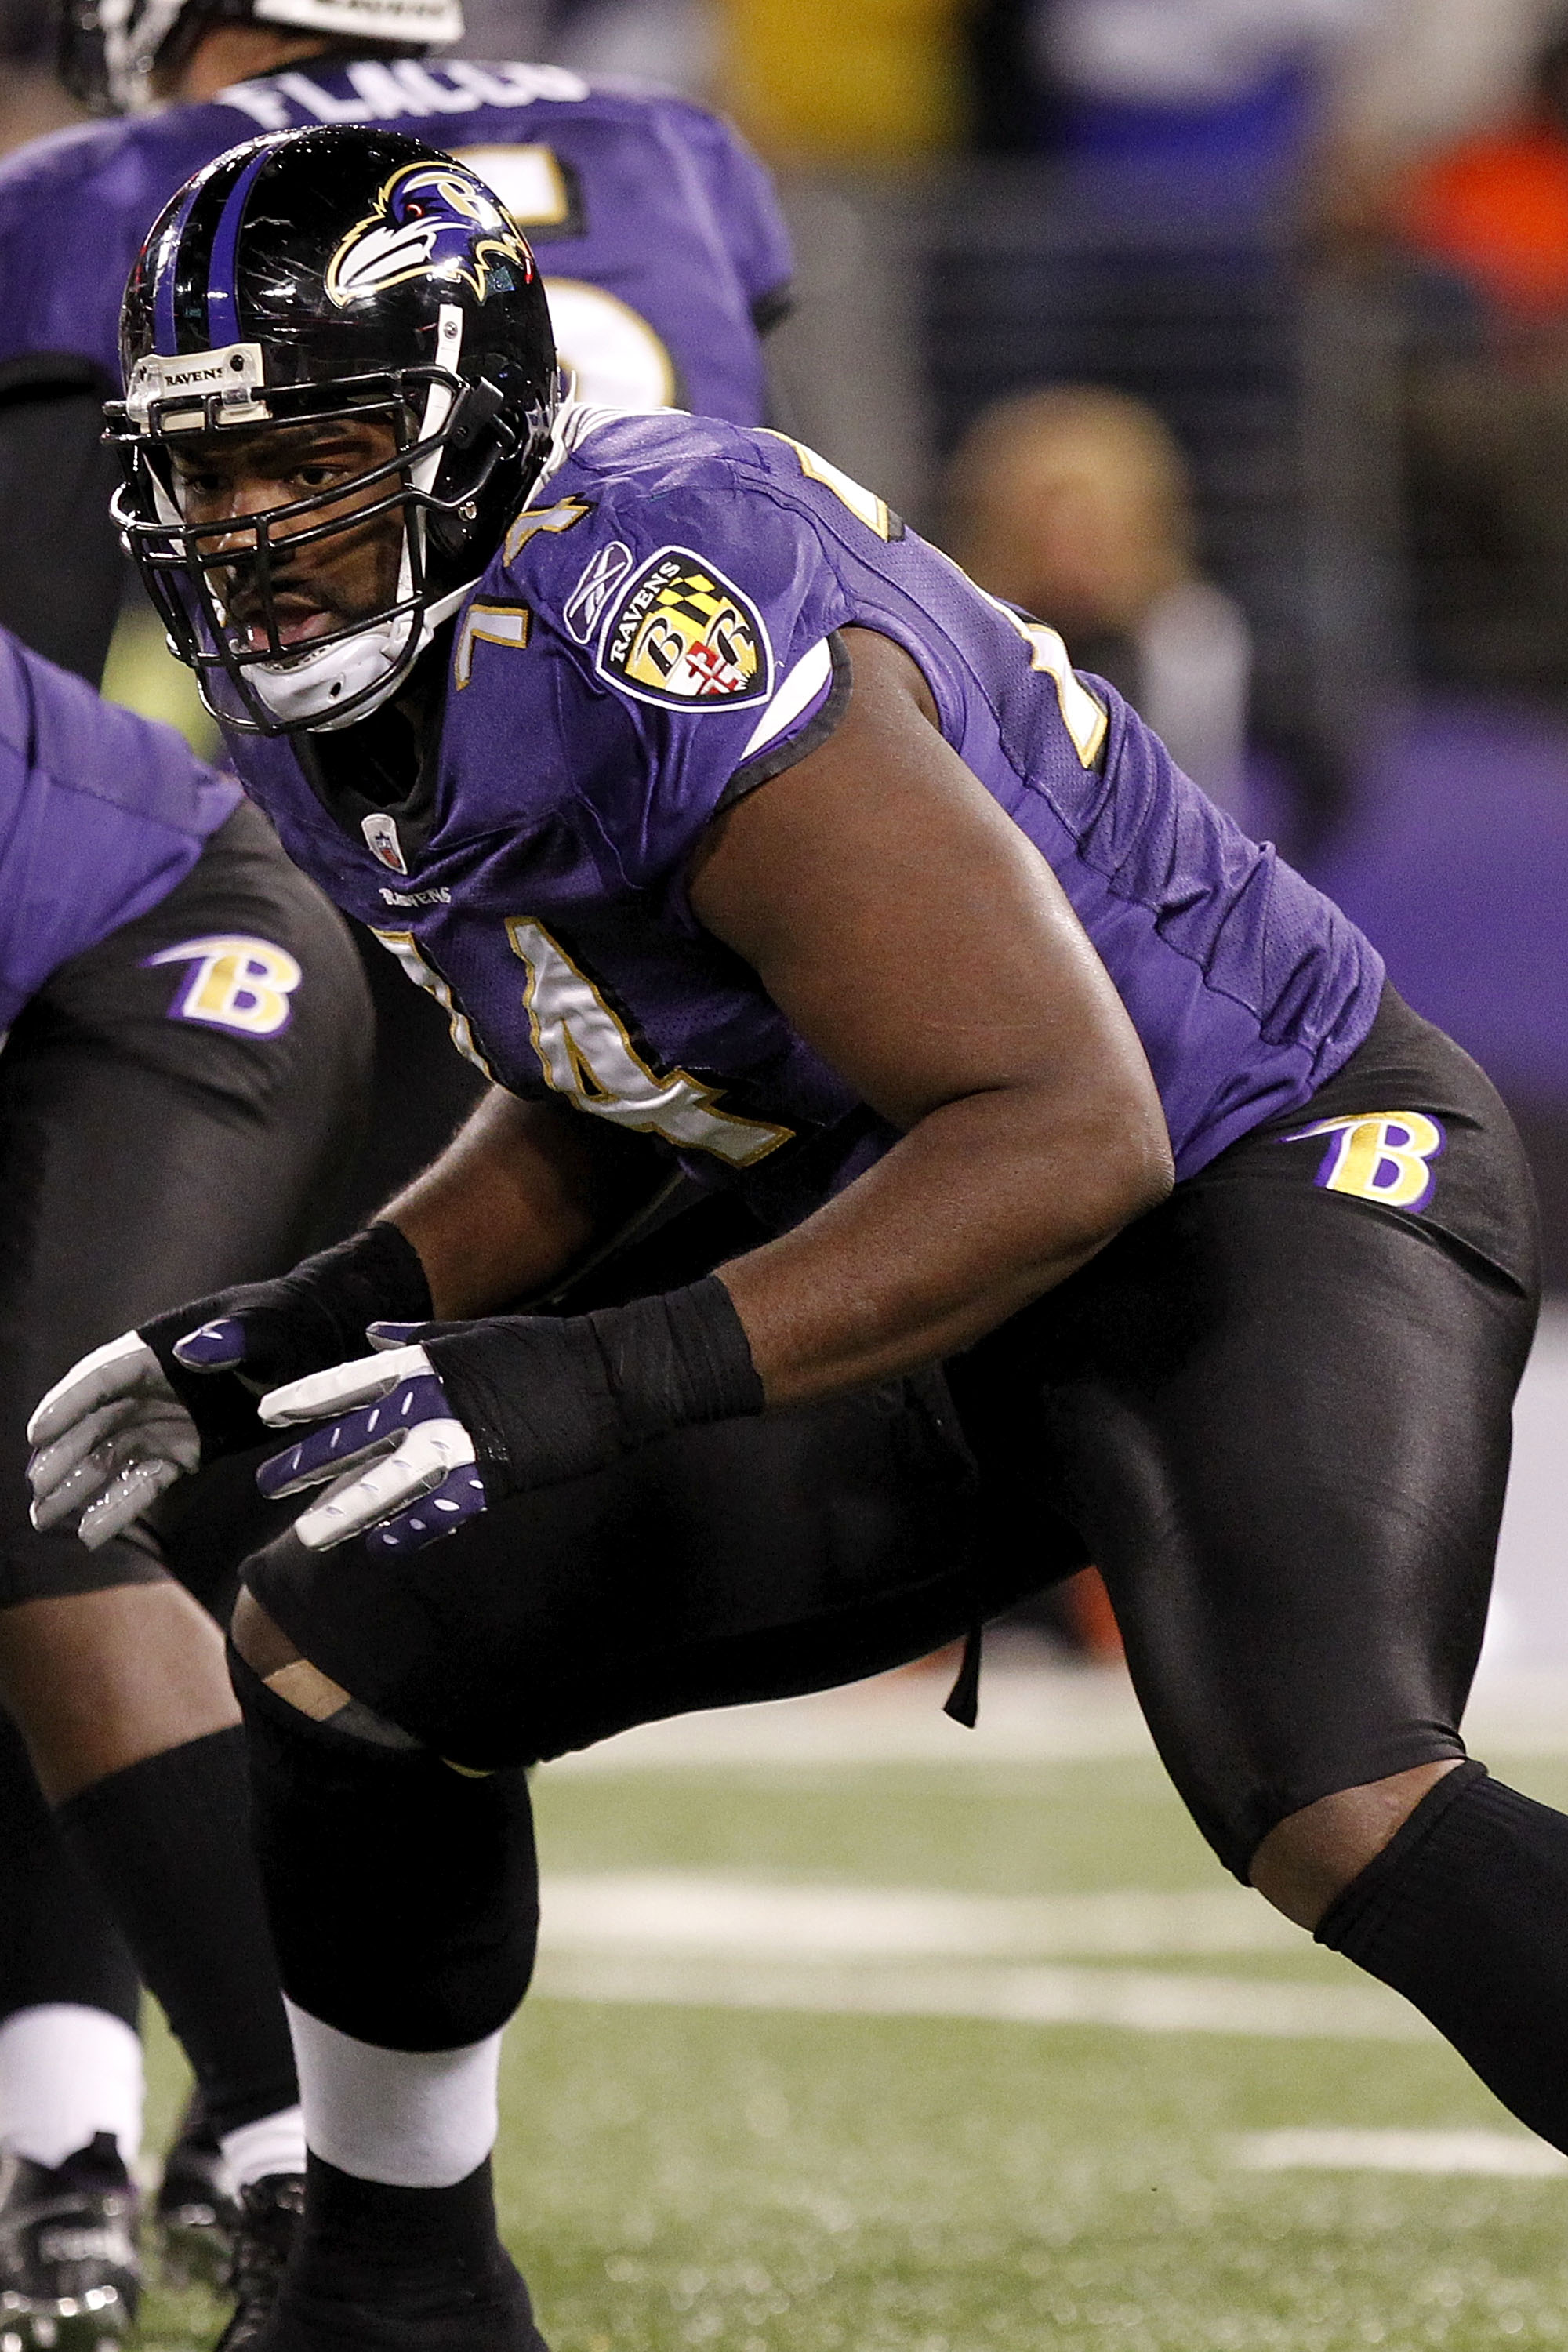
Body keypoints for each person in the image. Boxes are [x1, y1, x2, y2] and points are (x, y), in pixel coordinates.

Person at [35, 125, 1549, 2352]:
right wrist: (322, 1314)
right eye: (209, 467)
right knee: (342, 1647)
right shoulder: (344, 681)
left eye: (317, 454)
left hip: (1252, 1164)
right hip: (919, 1200)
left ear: (465, 428)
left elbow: (1064, 1124)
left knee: (1333, 1788)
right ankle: (391, 2292)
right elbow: (622, 1072)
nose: (254, 527)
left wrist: (583, 1375)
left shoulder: (659, 608)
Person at [0, 2, 793, 2328]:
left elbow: (37, 643)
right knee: (149, 1505)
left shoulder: (107, 198)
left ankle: (283, 2157)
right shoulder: (659, 144)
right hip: (689, 837)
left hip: (309, 855)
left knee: (92, 1501)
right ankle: (128, 2134)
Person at [0, 612, 372, 2347]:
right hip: (55, 996)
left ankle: (316, 2177)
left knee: (40, 1499)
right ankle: (58, 2144)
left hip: (176, 937)